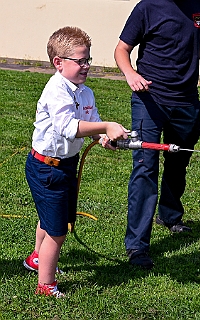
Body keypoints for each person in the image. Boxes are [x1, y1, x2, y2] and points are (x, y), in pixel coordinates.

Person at [23, 26, 129, 297]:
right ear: (58, 63)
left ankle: (36, 258)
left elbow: (91, 123)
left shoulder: (85, 92)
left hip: (65, 165)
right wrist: (107, 125)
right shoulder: (56, 91)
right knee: (57, 232)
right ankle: (46, 285)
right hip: (46, 167)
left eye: (88, 59)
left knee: (50, 220)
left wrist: (104, 135)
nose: (86, 66)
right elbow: (68, 128)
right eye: (80, 61)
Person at [114, 0, 200, 269]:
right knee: (145, 168)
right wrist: (130, 73)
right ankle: (137, 247)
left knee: (179, 160)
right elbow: (121, 49)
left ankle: (169, 216)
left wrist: (196, 53)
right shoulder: (147, 7)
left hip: (186, 100)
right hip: (149, 99)